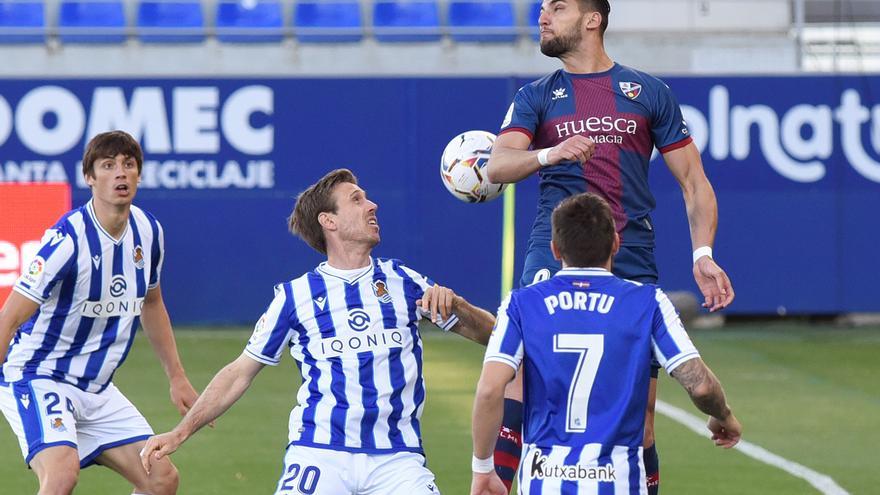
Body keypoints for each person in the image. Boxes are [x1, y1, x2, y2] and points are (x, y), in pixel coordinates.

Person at [485, 1, 735, 492]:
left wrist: (702, 254)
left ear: (593, 19)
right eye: (541, 8)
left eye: (557, 7)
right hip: (553, 251)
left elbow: (694, 182)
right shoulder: (535, 96)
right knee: (522, 383)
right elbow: (496, 166)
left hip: (631, 252)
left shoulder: (648, 93)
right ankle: (497, 482)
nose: (542, 15)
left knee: (639, 418)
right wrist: (549, 153)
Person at [139, 168, 495, 494]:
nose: (372, 205)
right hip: (319, 453)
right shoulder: (295, 297)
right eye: (356, 199)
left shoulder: (405, 283)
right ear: (329, 221)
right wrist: (180, 431)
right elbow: (238, 373)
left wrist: (459, 306)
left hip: (398, 459)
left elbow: (492, 337)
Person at [470, 192, 741, 495]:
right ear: (616, 243)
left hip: (543, 482)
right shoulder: (647, 302)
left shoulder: (521, 304)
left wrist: (482, 468)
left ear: (555, 249)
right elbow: (700, 384)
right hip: (619, 482)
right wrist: (723, 415)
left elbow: (490, 389)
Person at [0, 130, 200, 495]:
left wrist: (177, 376)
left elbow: (151, 303)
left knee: (161, 480)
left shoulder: (149, 232)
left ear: (139, 173)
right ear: (89, 178)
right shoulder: (67, 240)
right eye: (108, 166)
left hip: (97, 388)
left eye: (128, 164)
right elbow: (9, 318)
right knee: (61, 475)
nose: (120, 174)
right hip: (38, 374)